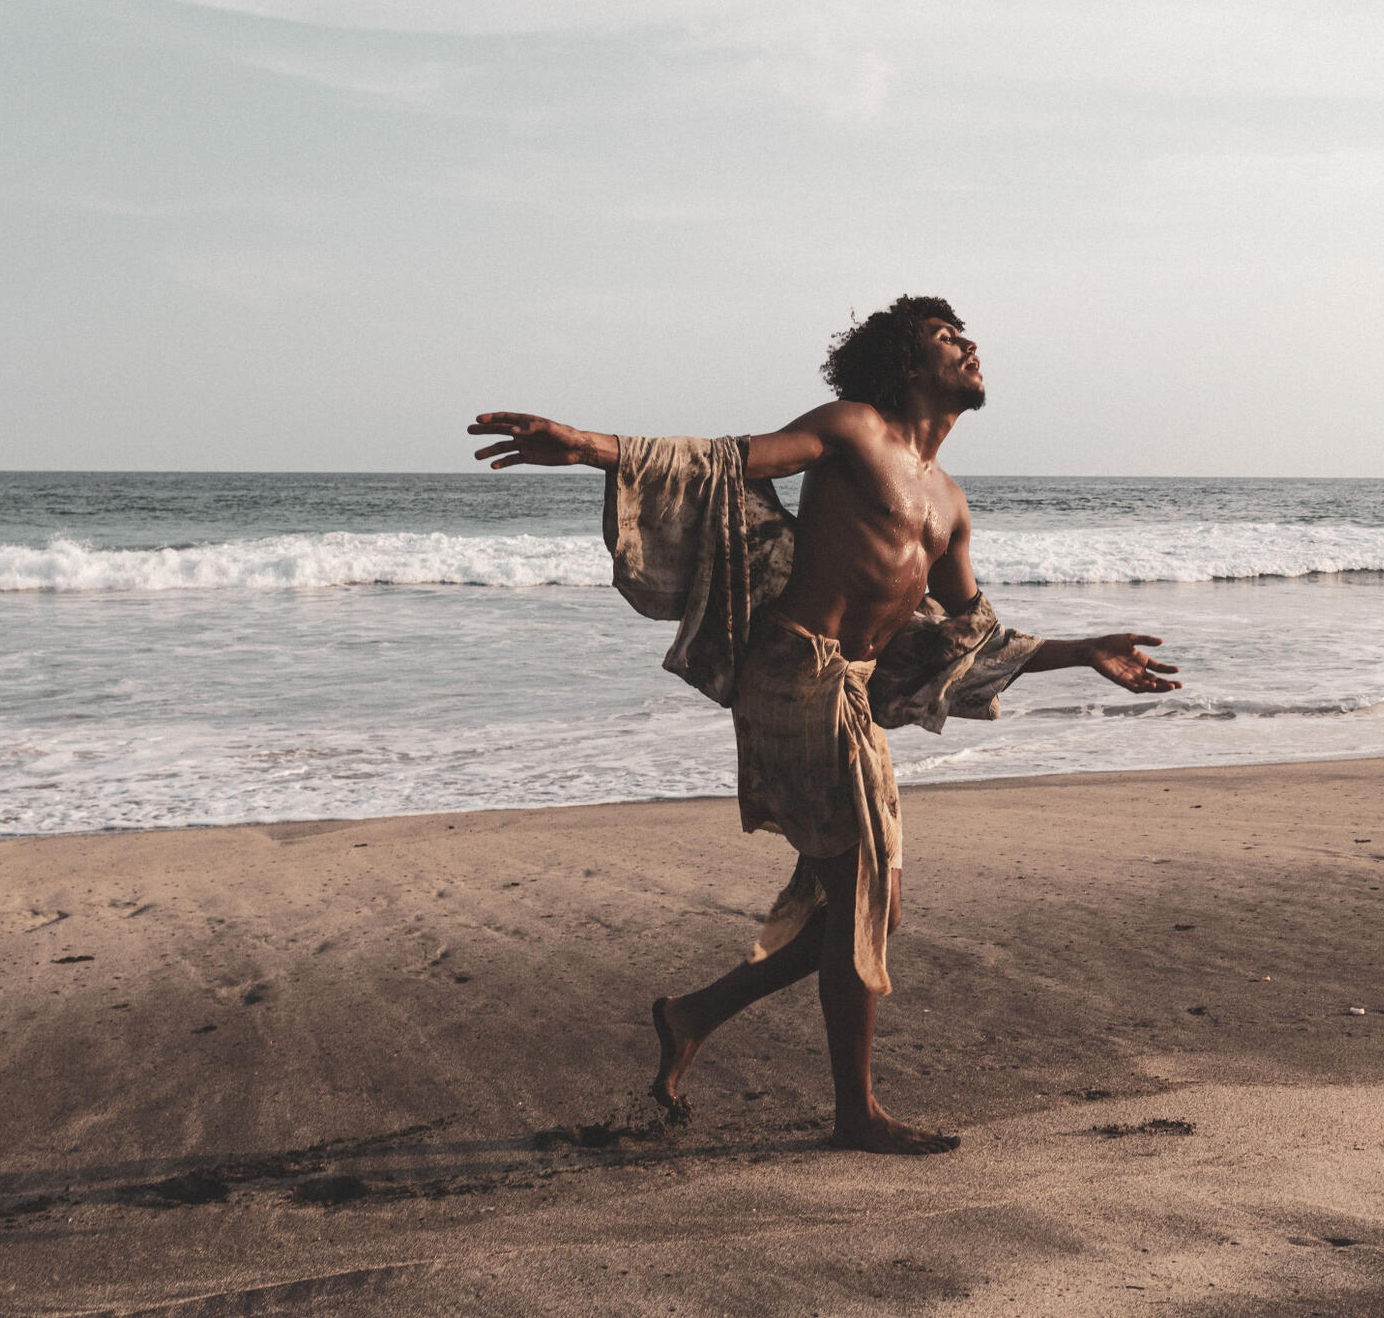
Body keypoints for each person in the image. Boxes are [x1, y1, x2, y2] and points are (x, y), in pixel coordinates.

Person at [469, 295, 1180, 1154]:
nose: (969, 347)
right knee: (860, 898)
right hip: (790, 669)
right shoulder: (852, 430)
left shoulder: (949, 503)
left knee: (876, 909)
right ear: (907, 363)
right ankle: (855, 1114)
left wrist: (1083, 650)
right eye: (947, 339)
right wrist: (587, 447)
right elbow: (725, 462)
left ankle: (693, 1014)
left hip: (849, 686)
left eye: (965, 336)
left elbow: (972, 638)